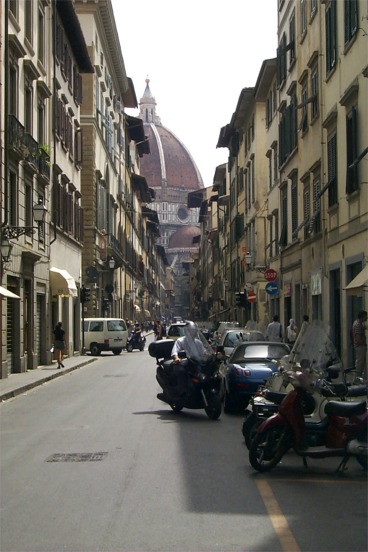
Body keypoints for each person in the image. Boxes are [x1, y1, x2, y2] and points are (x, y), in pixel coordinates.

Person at [171, 321, 208, 398]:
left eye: (194, 331)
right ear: (187, 331)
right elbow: (175, 352)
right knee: (181, 371)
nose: (193, 332)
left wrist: (210, 356)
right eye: (191, 331)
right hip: (186, 364)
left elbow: (204, 352)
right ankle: (182, 392)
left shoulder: (198, 343)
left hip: (197, 363)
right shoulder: (180, 341)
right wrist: (177, 358)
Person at [352, 310, 367, 380]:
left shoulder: (357, 323)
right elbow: (358, 339)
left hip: (359, 346)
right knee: (360, 363)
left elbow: (363, 327)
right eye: (365, 316)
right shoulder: (358, 325)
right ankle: (357, 379)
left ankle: (358, 378)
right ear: (362, 317)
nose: (366, 318)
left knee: (360, 362)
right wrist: (363, 342)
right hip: (360, 347)